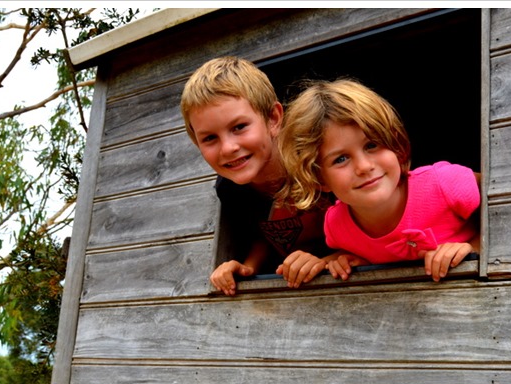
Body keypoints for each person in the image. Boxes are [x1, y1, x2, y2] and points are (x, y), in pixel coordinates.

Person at [278, 79, 481, 282]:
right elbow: (364, 253)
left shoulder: (445, 183)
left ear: (395, 145)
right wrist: (325, 262)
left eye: (371, 145)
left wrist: (473, 247)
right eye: (341, 159)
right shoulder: (337, 226)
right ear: (319, 178)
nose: (364, 166)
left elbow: (506, 203)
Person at [180, 56, 332, 295]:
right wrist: (248, 266)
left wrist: (331, 259)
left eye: (239, 127)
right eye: (210, 138)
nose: (228, 148)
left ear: (273, 119)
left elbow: (370, 212)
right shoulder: (230, 190)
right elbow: (264, 233)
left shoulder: (316, 160)